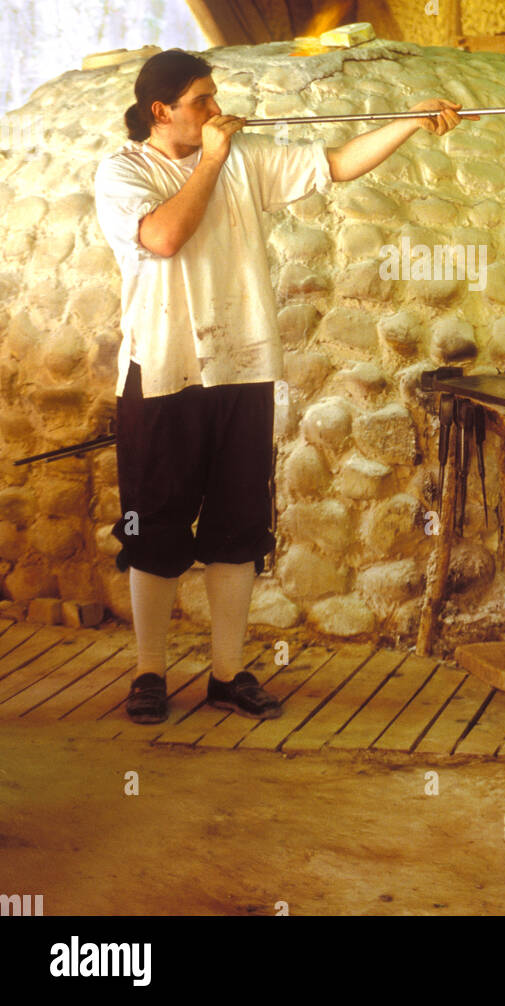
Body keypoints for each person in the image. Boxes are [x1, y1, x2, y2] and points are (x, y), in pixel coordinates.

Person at [94, 47, 469, 724]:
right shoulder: (124, 172)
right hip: (163, 370)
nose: (216, 110)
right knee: (155, 525)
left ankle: (227, 674)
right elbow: (166, 238)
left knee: (239, 524)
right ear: (162, 112)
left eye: (215, 98)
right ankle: (149, 673)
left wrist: (410, 122)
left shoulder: (243, 157)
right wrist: (209, 158)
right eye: (202, 101)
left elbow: (335, 164)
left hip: (241, 365)